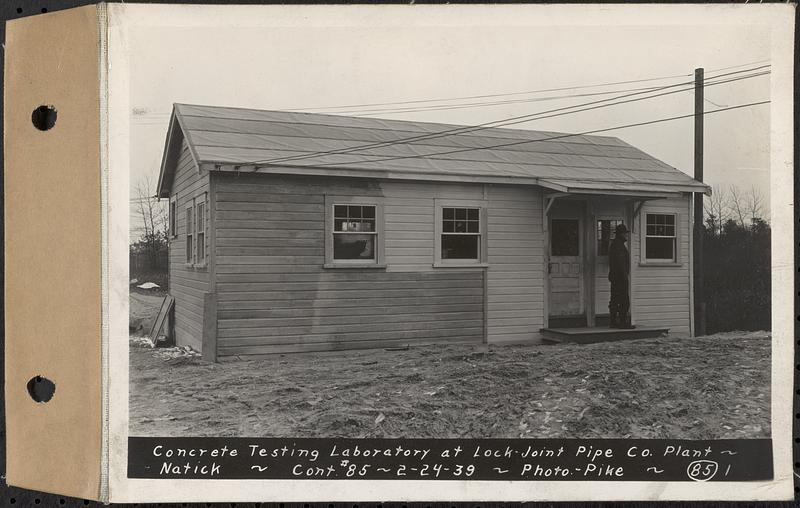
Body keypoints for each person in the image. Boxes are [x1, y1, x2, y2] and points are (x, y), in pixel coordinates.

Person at [608, 223, 634, 329]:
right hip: (620, 277)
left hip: (615, 276)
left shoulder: (615, 244)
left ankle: (613, 321)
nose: (626, 236)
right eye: (625, 233)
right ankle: (622, 322)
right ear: (621, 234)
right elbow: (620, 263)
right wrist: (624, 276)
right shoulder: (619, 246)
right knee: (623, 300)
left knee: (615, 299)